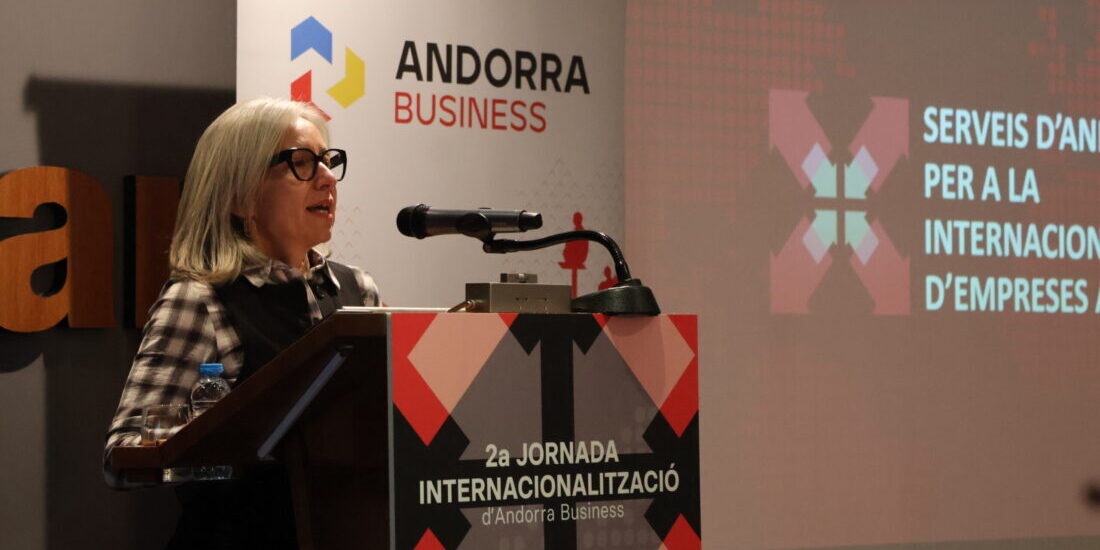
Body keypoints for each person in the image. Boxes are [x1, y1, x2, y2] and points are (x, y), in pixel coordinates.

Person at [103, 97, 379, 548]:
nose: (328, 178)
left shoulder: (359, 291)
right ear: (239, 196)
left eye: (329, 161)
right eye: (301, 163)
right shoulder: (202, 299)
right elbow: (125, 453)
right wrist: (230, 445)